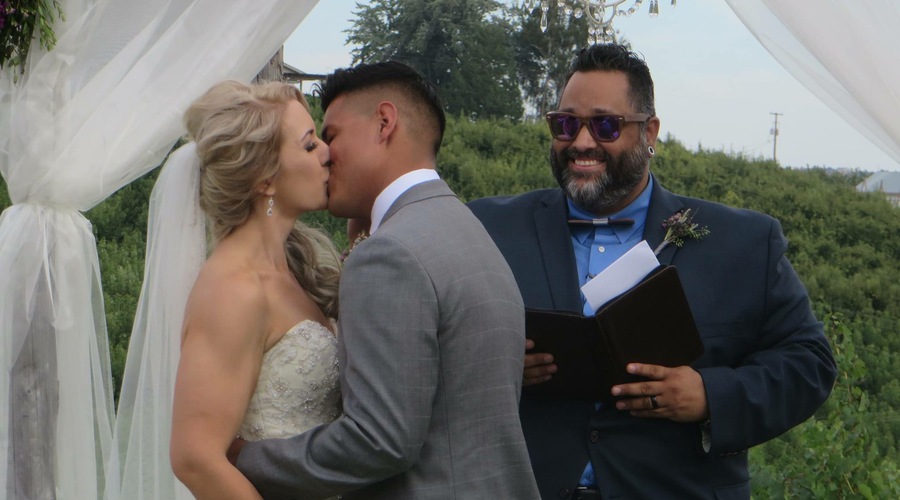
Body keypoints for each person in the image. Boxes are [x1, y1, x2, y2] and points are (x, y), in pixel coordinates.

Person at [467, 43, 837, 499]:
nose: (581, 142)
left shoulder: (742, 243)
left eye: (605, 125)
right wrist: (493, 366)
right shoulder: (488, 227)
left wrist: (708, 395)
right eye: (565, 124)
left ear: (650, 132)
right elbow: (435, 347)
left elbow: (809, 363)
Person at [232, 61, 540, 499]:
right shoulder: (466, 229)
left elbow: (379, 441)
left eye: (332, 135)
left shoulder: (389, 254)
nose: (325, 154)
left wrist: (246, 457)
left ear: (384, 122)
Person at [162, 80, 343, 499]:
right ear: (265, 180)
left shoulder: (292, 268)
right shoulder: (234, 289)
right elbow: (194, 457)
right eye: (309, 144)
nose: (327, 153)